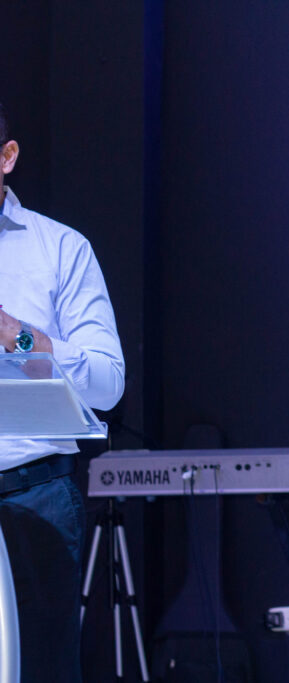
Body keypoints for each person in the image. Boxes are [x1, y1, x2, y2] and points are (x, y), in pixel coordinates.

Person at [0, 101, 125, 681]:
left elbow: (107, 383)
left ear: (7, 157)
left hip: (33, 493)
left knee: (40, 670)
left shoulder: (60, 249)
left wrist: (18, 336)